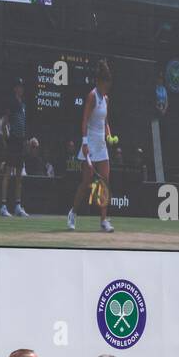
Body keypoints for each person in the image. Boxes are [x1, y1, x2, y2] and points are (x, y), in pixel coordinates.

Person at [68, 59, 115, 234]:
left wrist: (109, 135)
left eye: (108, 85)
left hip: (102, 145)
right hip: (90, 143)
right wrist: (85, 144)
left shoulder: (106, 99)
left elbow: (106, 122)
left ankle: (103, 221)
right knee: (86, 182)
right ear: (99, 82)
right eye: (105, 84)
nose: (107, 88)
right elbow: (85, 120)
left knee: (104, 182)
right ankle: (73, 213)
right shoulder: (92, 96)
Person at [0, 79, 31, 218]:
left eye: (22, 87)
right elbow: (4, 123)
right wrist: (7, 141)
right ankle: (3, 206)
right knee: (7, 173)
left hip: (20, 143)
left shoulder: (23, 105)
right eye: (19, 87)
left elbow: (22, 124)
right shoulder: (11, 103)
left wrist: (24, 141)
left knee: (19, 175)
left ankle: (18, 206)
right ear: (15, 89)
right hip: (13, 141)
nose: (21, 89)